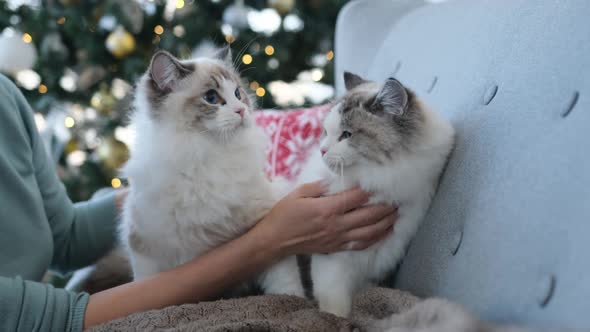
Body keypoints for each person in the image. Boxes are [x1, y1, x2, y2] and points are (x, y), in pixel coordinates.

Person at [0, 73, 398, 332]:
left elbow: (65, 237)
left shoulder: (6, 99)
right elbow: (53, 320)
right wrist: (268, 240)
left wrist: (187, 185)